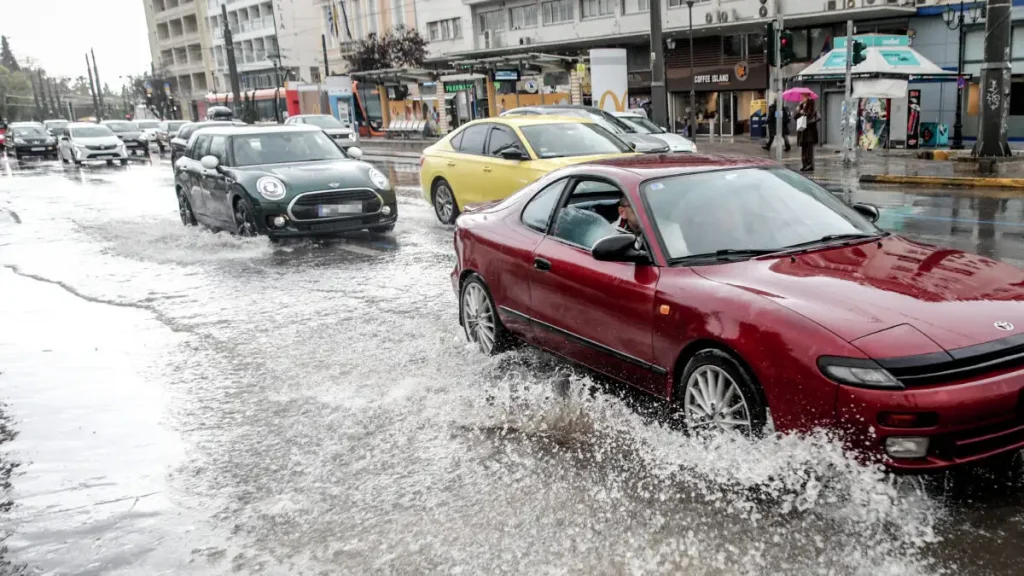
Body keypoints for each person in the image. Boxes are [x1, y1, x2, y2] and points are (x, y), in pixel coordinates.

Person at [794, 96, 820, 172]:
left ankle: (810, 165)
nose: (802, 98)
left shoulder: (812, 106)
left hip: (810, 131)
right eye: (801, 96)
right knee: (803, 149)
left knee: (810, 149)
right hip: (802, 131)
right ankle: (804, 165)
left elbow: (810, 115)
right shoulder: (801, 106)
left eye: (804, 96)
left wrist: (803, 113)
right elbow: (795, 117)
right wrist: (798, 109)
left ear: (808, 98)